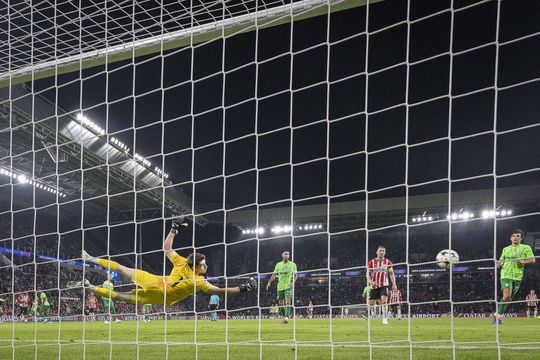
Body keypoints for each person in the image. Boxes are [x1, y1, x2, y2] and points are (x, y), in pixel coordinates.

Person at [68, 217, 257, 305]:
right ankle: (90, 287)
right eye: (204, 263)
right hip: (161, 296)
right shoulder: (199, 281)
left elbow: (166, 248)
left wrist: (174, 228)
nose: (205, 266)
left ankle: (90, 259)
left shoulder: (182, 262)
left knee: (123, 269)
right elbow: (220, 291)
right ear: (197, 266)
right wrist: (243, 288)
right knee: (123, 297)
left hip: (154, 280)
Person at [494, 229, 535, 325]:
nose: (515, 237)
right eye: (513, 236)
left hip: (518, 276)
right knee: (507, 296)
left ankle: (496, 314)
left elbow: (532, 260)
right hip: (506, 274)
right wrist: (498, 264)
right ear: (510, 238)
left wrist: (522, 262)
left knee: (508, 298)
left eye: (518, 236)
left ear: (521, 238)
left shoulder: (526, 248)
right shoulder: (506, 249)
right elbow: (500, 262)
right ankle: (499, 317)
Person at [366, 245, 397, 325]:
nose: (382, 252)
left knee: (384, 301)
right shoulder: (371, 262)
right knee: (371, 303)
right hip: (374, 285)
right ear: (377, 252)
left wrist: (394, 284)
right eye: (380, 250)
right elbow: (367, 273)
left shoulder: (388, 262)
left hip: (384, 284)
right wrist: (370, 282)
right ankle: (372, 310)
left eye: (383, 251)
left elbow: (391, 274)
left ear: (385, 253)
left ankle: (385, 318)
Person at [266, 250, 298, 324]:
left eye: (288, 254)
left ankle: (287, 317)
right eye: (285, 254)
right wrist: (269, 281)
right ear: (282, 255)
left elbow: (296, 276)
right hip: (280, 287)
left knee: (288, 301)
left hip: (288, 286)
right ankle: (284, 316)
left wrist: (292, 282)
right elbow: (274, 275)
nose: (287, 255)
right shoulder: (278, 264)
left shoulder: (293, 264)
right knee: (281, 303)